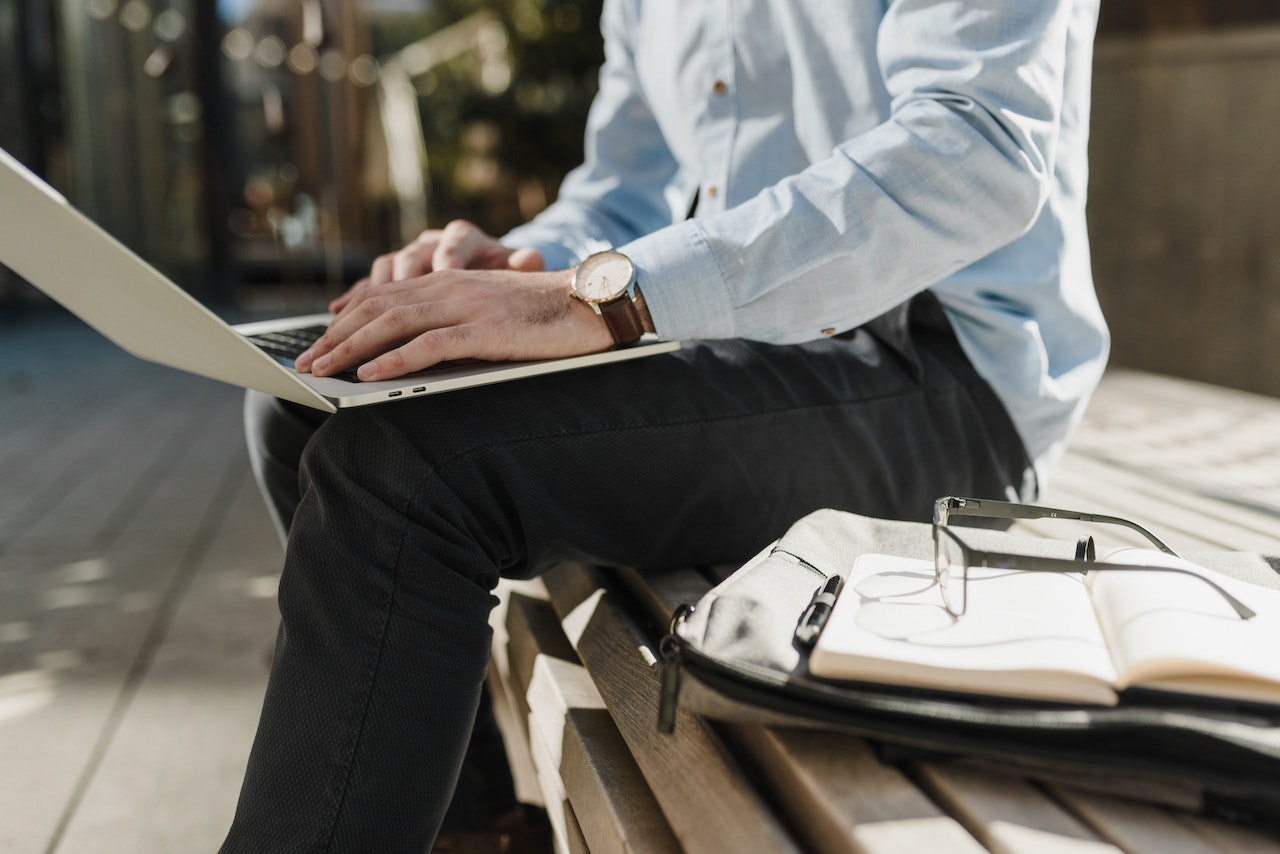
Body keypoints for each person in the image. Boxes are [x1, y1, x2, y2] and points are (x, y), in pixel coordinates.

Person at [222, 0, 1108, 850]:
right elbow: (622, 191)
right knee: (307, 397)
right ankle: (471, 836)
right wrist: (514, 265)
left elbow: (975, 150)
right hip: (740, 341)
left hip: (942, 374)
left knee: (407, 467)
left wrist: (609, 294)